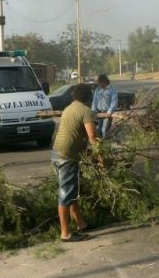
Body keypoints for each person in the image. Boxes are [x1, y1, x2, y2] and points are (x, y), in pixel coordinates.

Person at [51, 83, 100, 242]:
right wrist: (101, 159)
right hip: (67, 156)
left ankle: (81, 224)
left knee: (70, 191)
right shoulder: (86, 111)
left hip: (56, 153)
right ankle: (65, 234)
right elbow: (93, 137)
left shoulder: (68, 108)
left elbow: (74, 133)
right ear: (89, 97)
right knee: (66, 194)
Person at [91, 74, 118, 138]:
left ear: (104, 81)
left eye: (100, 82)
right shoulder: (98, 89)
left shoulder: (112, 89)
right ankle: (100, 143)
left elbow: (114, 101)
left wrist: (110, 111)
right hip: (99, 112)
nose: (99, 84)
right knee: (99, 130)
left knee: (105, 130)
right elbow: (95, 101)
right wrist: (93, 111)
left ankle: (107, 143)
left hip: (107, 113)